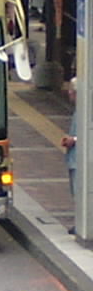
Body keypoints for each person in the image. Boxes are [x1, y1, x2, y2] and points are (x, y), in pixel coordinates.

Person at [61, 76, 77, 234]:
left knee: (79, 192)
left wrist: (74, 139)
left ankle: (81, 223)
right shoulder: (78, 111)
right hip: (74, 159)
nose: (69, 95)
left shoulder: (86, 111)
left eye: (71, 92)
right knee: (75, 191)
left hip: (80, 160)